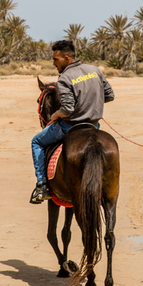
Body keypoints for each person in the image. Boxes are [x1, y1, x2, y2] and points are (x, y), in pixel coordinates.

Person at [29, 39, 115, 203]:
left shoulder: (64, 79)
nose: (54, 63)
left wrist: (55, 115)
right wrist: (90, 102)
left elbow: (67, 110)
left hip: (69, 127)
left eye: (56, 59)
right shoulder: (94, 70)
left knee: (36, 142)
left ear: (66, 58)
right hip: (93, 126)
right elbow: (110, 95)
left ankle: (42, 186)